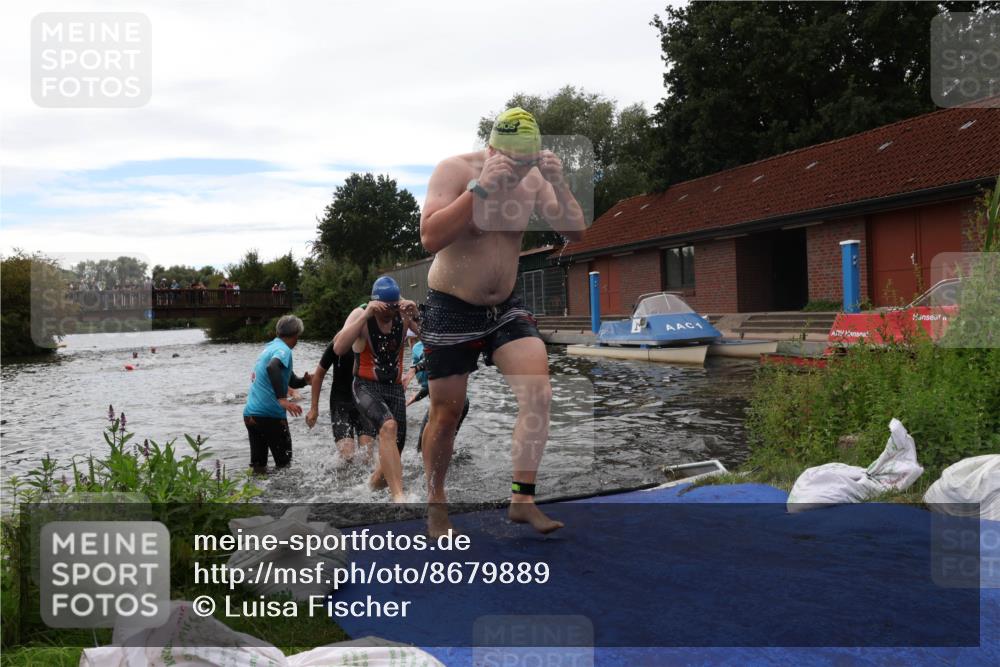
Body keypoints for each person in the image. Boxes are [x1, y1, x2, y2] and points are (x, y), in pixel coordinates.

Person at [419, 107, 585, 536]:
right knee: (446, 412)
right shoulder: (454, 171)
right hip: (451, 304)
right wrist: (479, 190)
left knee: (540, 395)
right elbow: (430, 237)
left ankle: (522, 500)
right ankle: (436, 505)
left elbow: (576, 231)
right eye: (510, 161)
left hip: (505, 305)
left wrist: (560, 184)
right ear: (490, 149)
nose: (517, 170)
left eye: (526, 161)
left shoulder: (535, 178)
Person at [333, 276, 419, 502]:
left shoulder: (403, 314)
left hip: (395, 390)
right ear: (374, 304)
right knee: (388, 426)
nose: (387, 316)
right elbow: (339, 347)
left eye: (391, 310)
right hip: (365, 386)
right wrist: (365, 315)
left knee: (393, 454)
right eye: (382, 311)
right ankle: (400, 497)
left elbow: (433, 338)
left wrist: (416, 313)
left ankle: (368, 490)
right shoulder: (361, 314)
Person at [243, 315, 312, 474]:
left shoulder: (270, 347)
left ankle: (255, 496)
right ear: (296, 335)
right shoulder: (284, 350)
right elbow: (272, 367)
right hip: (270, 415)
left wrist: (305, 381)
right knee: (284, 465)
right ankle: (283, 498)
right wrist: (282, 399)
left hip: (251, 415)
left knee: (258, 466)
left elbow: (291, 380)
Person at [306, 344, 375, 463]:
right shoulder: (339, 343)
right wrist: (314, 409)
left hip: (364, 402)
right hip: (340, 402)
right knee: (347, 456)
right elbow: (319, 375)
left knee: (367, 458)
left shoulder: (370, 339)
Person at [403, 339, 469, 452]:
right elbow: (434, 385)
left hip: (446, 401)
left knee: (421, 448)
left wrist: (415, 369)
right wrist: (415, 398)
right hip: (461, 402)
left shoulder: (418, 347)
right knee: (445, 443)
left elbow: (430, 359)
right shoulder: (439, 345)